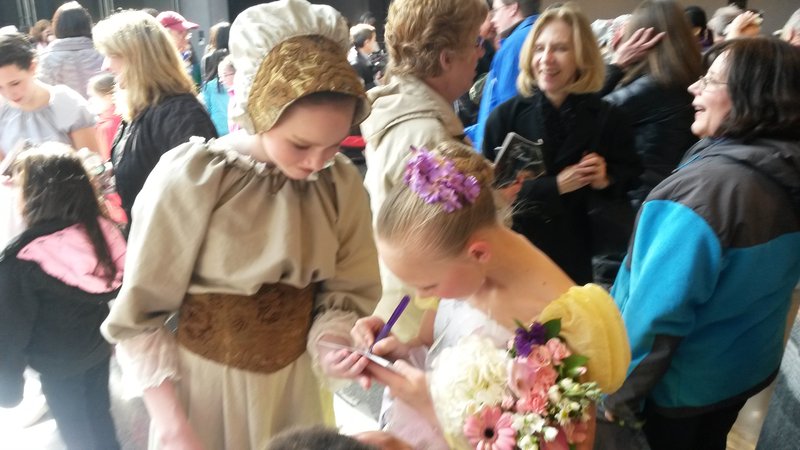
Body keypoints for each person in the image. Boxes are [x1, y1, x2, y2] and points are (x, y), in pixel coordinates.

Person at [100, 1, 381, 449]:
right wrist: (171, 422)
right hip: (204, 398)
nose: (316, 162)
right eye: (300, 145)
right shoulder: (194, 178)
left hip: (294, 391)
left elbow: (345, 291)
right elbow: (140, 315)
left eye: (332, 146)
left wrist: (332, 344)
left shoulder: (338, 182)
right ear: (258, 111)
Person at [344, 142, 630, 449]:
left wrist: (434, 407)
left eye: (427, 286)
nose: (418, 295)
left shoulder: (563, 320)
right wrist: (400, 353)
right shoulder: (463, 272)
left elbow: (572, 443)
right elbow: (430, 343)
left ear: (478, 253)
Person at [601, 38, 800, 450]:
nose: (693, 87)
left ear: (751, 96)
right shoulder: (784, 166)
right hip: (739, 372)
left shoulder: (707, 191)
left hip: (679, 389)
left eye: (710, 80)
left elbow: (656, 316)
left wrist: (615, 399)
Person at [482, 3, 641, 284]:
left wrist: (605, 178)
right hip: (518, 254)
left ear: (581, 56)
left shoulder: (608, 118)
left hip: (578, 257)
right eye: (539, 48)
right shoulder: (504, 118)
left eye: (560, 49)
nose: (546, 59)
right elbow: (489, 194)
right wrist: (555, 186)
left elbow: (631, 177)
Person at [362, 0, 488, 342]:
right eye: (475, 42)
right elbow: (445, 242)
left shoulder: (400, 111)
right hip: (426, 319)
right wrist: (493, 206)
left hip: (406, 306)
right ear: (446, 59)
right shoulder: (426, 136)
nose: (480, 52)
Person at [0, 143, 125, 450]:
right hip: (97, 348)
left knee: (76, 432)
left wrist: (8, 387)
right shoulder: (101, 234)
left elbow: (11, 331)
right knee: (100, 416)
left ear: (34, 195)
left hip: (56, 364)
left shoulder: (22, 260)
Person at [92, 10, 217, 222]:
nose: (106, 65)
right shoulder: (143, 109)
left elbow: (200, 193)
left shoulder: (179, 113)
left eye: (112, 55)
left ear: (139, 58)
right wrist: (111, 172)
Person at [602, 0, 701, 206]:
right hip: (665, 195)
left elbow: (584, 115)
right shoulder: (686, 78)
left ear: (641, 39)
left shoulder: (653, 87)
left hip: (635, 201)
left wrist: (616, 63)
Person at [0, 32, 98, 157]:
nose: (9, 93)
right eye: (0, 87)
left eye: (15, 83)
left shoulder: (65, 102)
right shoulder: (3, 111)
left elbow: (92, 161)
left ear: (32, 67)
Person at [465, 0, 541, 150]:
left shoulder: (513, 46)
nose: (493, 20)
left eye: (495, 11)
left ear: (513, 8)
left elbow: (506, 113)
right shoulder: (541, 35)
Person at [36, 2, 103, 99]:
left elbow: (42, 96)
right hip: (102, 107)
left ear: (57, 26)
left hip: (63, 108)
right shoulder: (103, 53)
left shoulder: (46, 59)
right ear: (87, 24)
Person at [157, 10, 202, 85]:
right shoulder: (156, 71)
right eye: (180, 33)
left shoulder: (183, 63)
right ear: (164, 37)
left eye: (187, 34)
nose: (186, 40)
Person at [348, 23, 380, 90]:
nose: (375, 43)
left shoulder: (361, 55)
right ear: (367, 42)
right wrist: (377, 83)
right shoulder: (355, 64)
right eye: (374, 40)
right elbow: (358, 90)